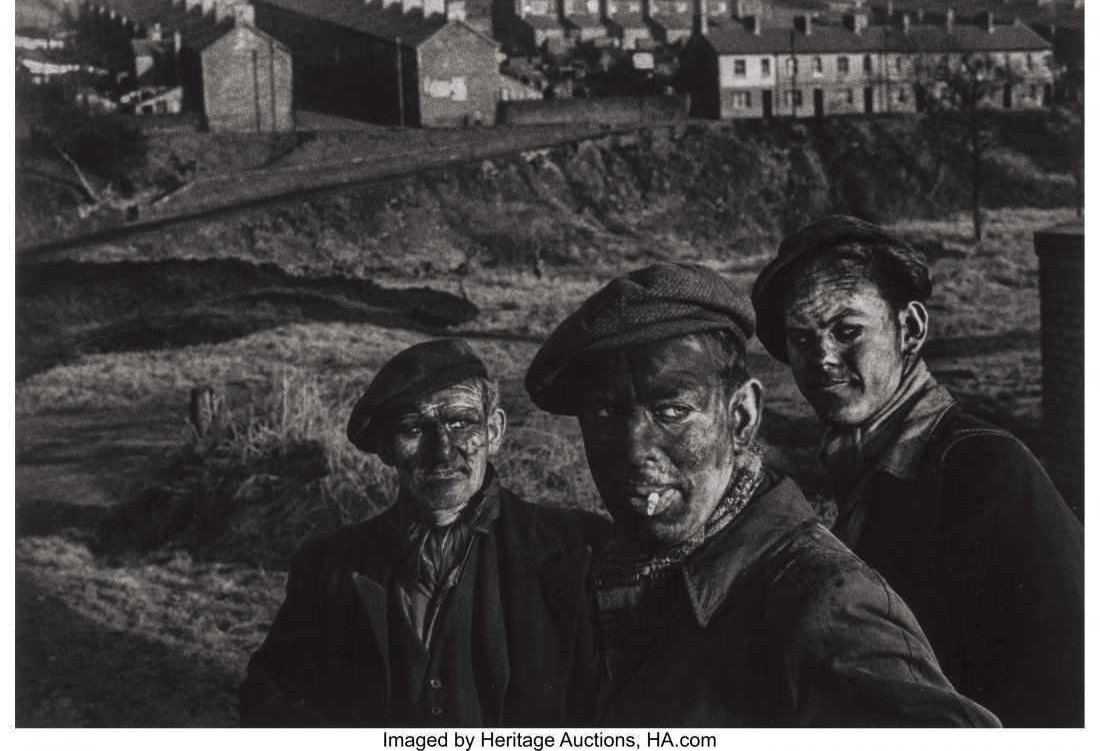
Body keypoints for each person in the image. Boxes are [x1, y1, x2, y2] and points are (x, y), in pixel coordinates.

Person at [524, 261, 999, 728]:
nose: (633, 449)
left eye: (671, 411)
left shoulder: (824, 601)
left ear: (742, 419)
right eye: (603, 415)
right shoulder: (606, 575)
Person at [750, 215, 1084, 727]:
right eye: (801, 338)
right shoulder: (863, 467)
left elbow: (1068, 682)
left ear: (909, 329)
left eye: (847, 331)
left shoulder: (981, 469)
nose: (822, 358)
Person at [239, 339, 609, 727]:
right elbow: (270, 694)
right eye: (414, 427)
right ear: (386, 447)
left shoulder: (579, 548)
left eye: (461, 423)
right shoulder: (327, 563)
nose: (442, 451)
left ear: (494, 430)